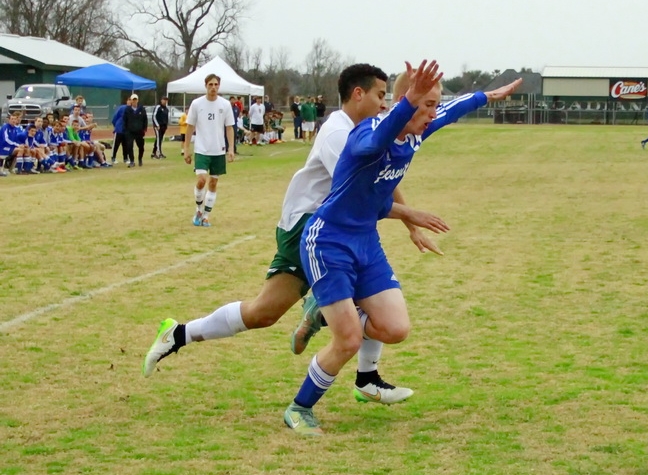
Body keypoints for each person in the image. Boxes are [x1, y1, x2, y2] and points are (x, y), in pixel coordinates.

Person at [142, 64, 448, 407]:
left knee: (284, 309)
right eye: (380, 96)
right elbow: (366, 194)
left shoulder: (368, 128)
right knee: (282, 310)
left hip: (335, 228)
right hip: (307, 225)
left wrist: (410, 225)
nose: (384, 104)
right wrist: (411, 217)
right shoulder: (338, 134)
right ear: (358, 94)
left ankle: (365, 375)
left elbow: (385, 181)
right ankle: (347, 356)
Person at [283, 61, 523, 436]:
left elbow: (450, 111)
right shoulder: (369, 133)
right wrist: (409, 102)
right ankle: (300, 408)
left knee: (395, 328)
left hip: (366, 242)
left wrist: (486, 96)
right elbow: (377, 141)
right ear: (403, 102)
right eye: (424, 104)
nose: (431, 113)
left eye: (433, 104)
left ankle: (331, 312)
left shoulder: (415, 132)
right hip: (328, 241)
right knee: (347, 340)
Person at [182, 74, 235, 228]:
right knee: (201, 180)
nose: (213, 87)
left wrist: (231, 148)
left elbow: (229, 127)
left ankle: (206, 216)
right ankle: (198, 210)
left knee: (213, 183)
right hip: (201, 149)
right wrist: (186, 149)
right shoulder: (197, 104)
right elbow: (190, 126)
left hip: (218, 150)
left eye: (216, 84)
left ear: (219, 86)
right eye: (210, 84)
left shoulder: (225, 105)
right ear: (205, 86)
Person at [123, 94, 147, 167]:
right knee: (129, 146)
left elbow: (145, 119)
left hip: (139, 131)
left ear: (137, 100)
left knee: (141, 146)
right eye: (133, 100)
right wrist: (126, 130)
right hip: (130, 132)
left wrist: (144, 129)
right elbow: (124, 120)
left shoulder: (142, 109)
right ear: (131, 101)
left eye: (135, 100)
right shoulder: (127, 110)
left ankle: (140, 159)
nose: (134, 101)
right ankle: (132, 161)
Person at [111, 97, 130, 165]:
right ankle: (113, 157)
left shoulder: (133, 110)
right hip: (119, 129)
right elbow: (115, 117)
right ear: (127, 101)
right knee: (116, 144)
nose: (130, 102)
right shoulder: (122, 108)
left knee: (126, 145)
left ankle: (125, 158)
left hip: (127, 131)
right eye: (129, 100)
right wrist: (116, 126)